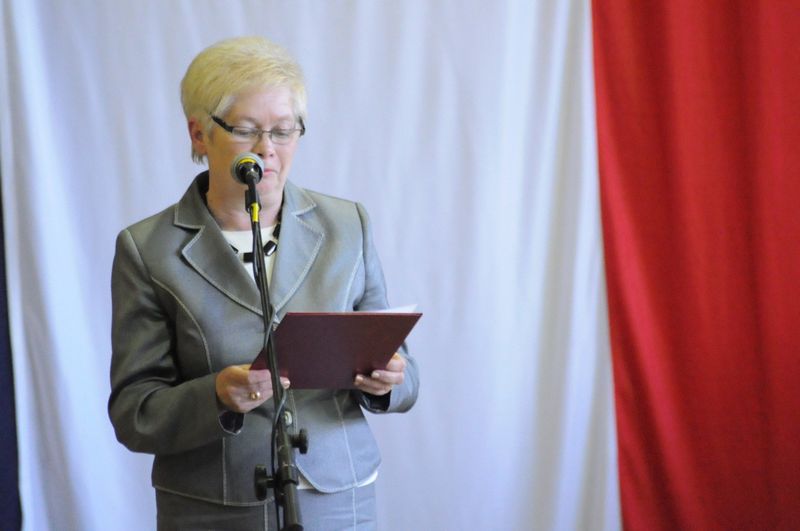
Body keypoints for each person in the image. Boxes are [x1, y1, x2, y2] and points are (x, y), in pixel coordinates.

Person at [108, 36, 419, 530]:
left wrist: (388, 381)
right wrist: (216, 394)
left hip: (338, 499)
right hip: (212, 509)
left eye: (283, 130)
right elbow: (135, 412)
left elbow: (406, 375)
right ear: (198, 134)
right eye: (247, 130)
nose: (266, 150)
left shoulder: (348, 225)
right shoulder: (147, 249)